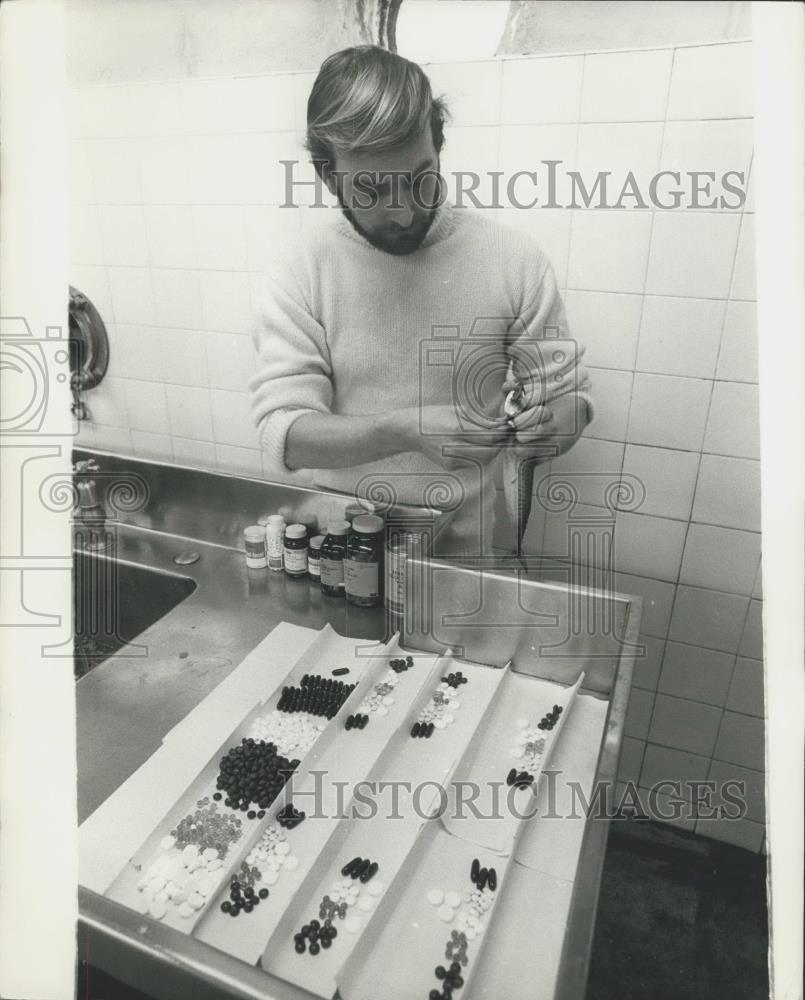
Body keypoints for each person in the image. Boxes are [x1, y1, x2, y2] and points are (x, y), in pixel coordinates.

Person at [249, 45, 593, 559]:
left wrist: (551, 425)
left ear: (439, 143)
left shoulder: (513, 259)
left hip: (463, 555)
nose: (403, 212)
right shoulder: (301, 269)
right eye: (369, 190)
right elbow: (286, 435)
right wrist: (402, 430)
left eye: (419, 178)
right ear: (328, 176)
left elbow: (574, 403)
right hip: (340, 552)